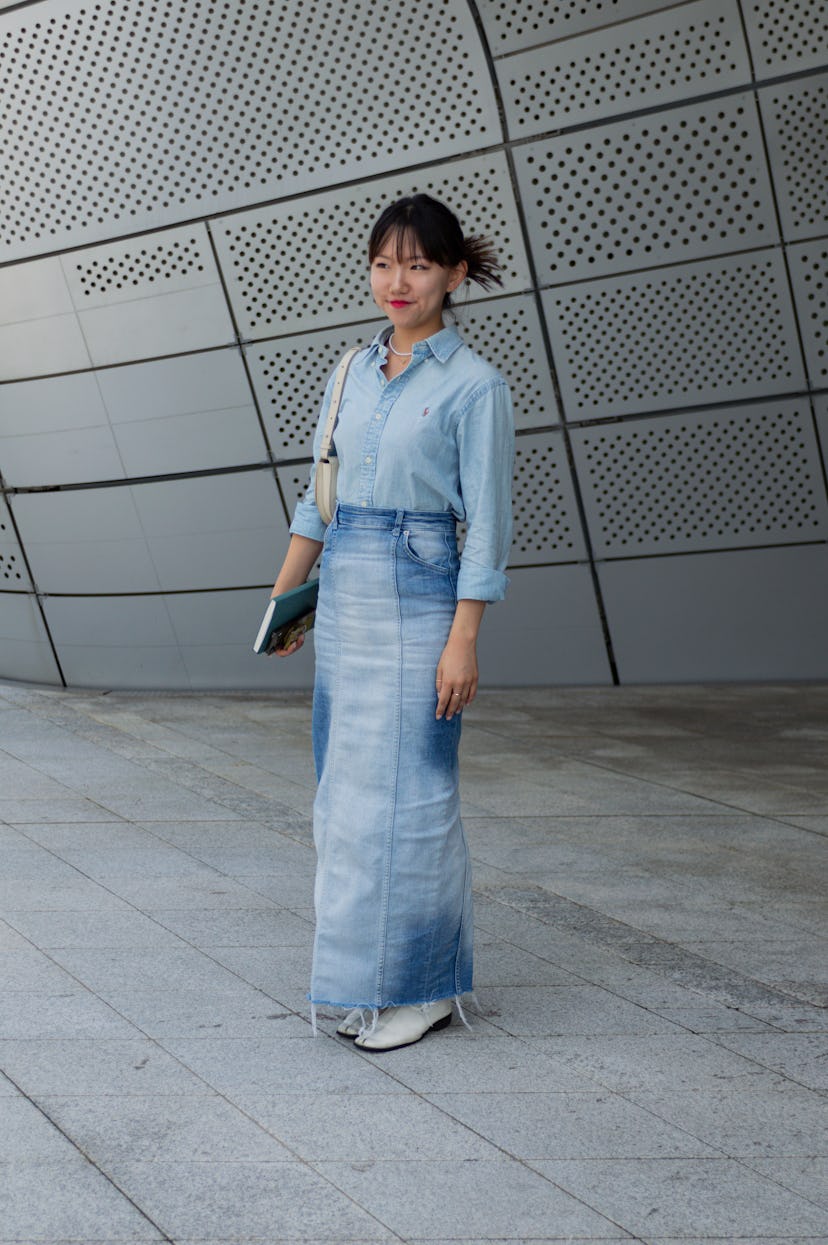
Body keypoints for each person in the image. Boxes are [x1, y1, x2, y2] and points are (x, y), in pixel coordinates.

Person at [269, 193, 514, 1051]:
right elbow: (318, 498)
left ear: (454, 273)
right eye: (383, 263)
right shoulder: (347, 371)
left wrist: (464, 637)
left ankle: (426, 986)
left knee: (417, 798)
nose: (396, 280)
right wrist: (285, 597)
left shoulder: (477, 387)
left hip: (421, 591)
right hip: (345, 595)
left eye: (415, 264)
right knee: (346, 800)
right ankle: (359, 982)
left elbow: (485, 525)